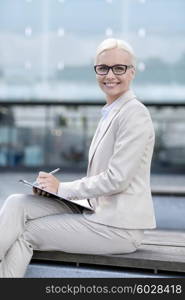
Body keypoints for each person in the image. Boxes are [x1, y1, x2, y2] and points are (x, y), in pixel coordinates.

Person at [0, 38, 156, 278]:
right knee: (16, 203)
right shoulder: (111, 112)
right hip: (95, 211)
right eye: (103, 68)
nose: (110, 75)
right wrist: (51, 190)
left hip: (119, 227)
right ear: (96, 71)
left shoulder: (135, 114)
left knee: (27, 232)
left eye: (119, 68)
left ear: (132, 72)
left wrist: (62, 188)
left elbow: (118, 179)